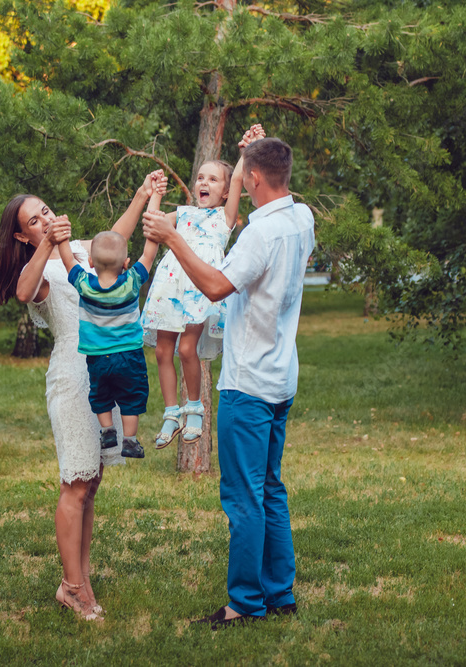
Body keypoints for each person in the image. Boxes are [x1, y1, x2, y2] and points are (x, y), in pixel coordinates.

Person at [0, 170, 167, 621]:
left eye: (45, 210)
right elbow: (22, 292)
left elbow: (117, 239)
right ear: (23, 236)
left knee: (91, 483)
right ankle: (72, 588)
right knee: (75, 484)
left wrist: (143, 195)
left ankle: (80, 577)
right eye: (34, 220)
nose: (44, 218)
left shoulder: (77, 250)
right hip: (72, 379)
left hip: (103, 372)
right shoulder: (39, 267)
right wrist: (49, 242)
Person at [142, 137, 314, 629]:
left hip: (248, 383)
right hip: (282, 375)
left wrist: (173, 239)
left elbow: (216, 285)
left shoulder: (260, 236)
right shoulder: (301, 218)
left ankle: (244, 604)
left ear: (253, 179)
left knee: (243, 497)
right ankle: (281, 594)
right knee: (270, 488)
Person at [140, 124, 265, 450]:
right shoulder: (182, 214)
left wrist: (247, 151)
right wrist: (154, 195)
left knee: (186, 349)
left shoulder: (224, 218)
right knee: (163, 351)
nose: (203, 182)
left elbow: (238, 178)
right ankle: (171, 413)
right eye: (200, 177)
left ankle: (194, 407)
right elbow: (151, 225)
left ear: (225, 192)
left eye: (213, 178)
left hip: (197, 290)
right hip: (170, 289)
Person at [57, 222, 160, 459]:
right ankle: (130, 441)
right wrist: (153, 229)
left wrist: (63, 238)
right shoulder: (132, 282)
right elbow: (149, 254)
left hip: (97, 356)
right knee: (131, 395)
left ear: (91, 263)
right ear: (126, 263)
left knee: (100, 394)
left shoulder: (84, 285)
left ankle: (107, 431)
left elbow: (68, 262)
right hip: (129, 355)